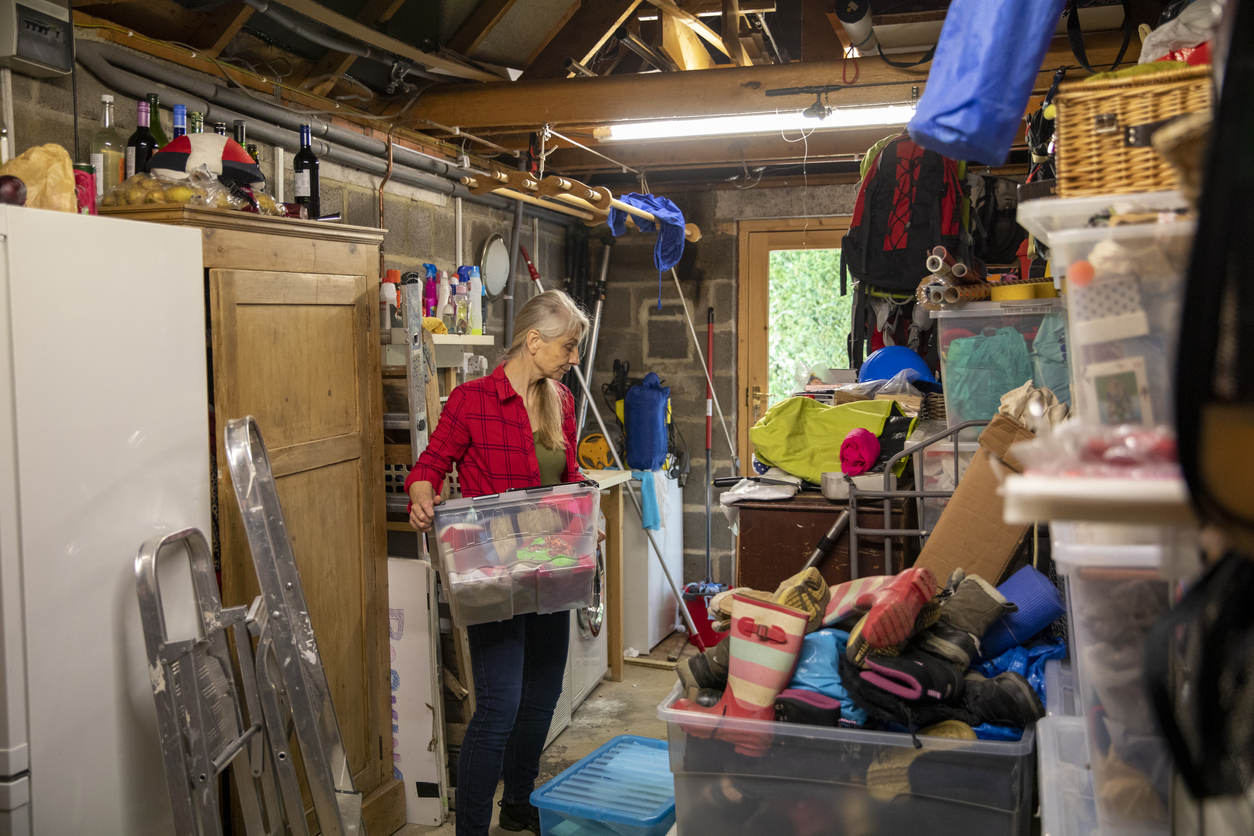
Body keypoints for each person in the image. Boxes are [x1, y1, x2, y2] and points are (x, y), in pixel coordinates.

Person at [406, 289, 595, 836]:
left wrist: (582, 504)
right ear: (534, 341)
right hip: (492, 577)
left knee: (541, 697)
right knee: (499, 708)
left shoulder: (560, 399)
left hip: (551, 569)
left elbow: (566, 475)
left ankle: (518, 805)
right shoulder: (471, 401)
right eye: (568, 345)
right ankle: (471, 828)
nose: (574, 357)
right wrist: (422, 496)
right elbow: (429, 465)